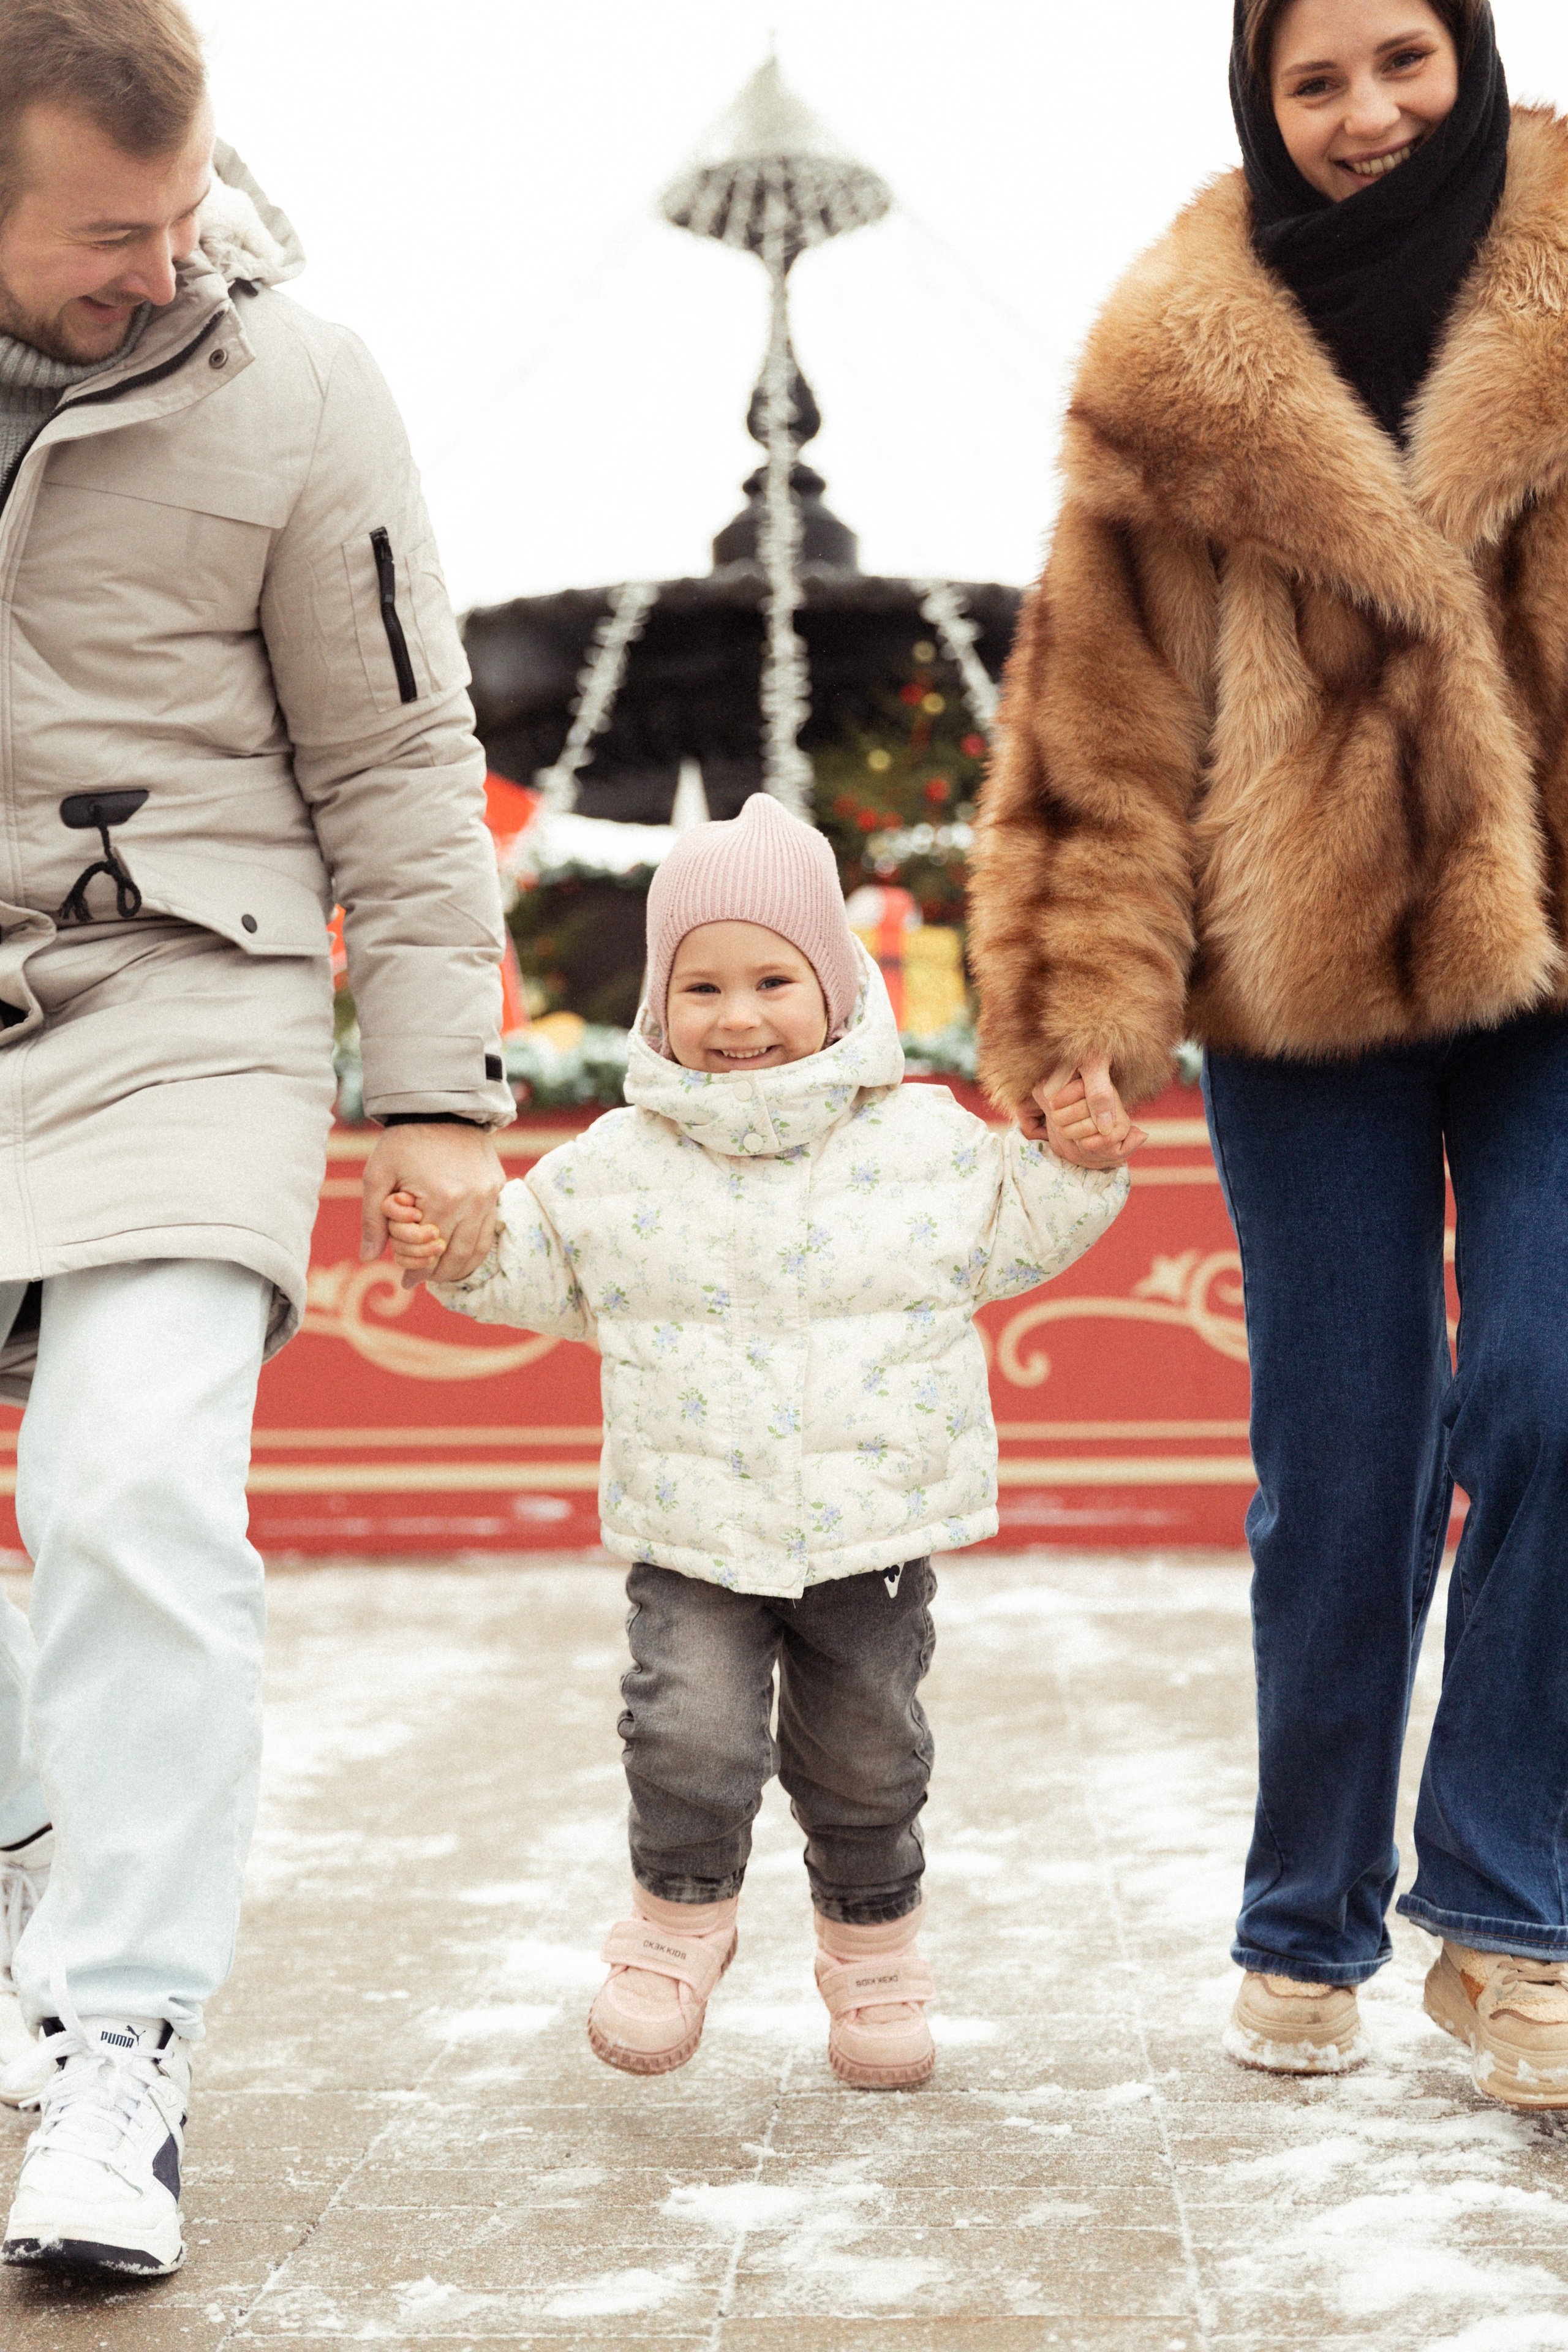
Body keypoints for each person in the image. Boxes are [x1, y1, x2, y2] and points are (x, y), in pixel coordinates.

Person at [966, 0, 1568, 2110]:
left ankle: (1508, 1908)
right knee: (1347, 1464)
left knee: (1559, 1386)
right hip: (1298, 991)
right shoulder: (1177, 370)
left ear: (1470, 54)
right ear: (1262, 99)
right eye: (1317, 79)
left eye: (1402, 58)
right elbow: (1097, 733)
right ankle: (1305, 1907)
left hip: (1561, 968)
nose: (1369, 112)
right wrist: (1076, 1013)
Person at [0, 0, 511, 2277]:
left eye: (186, 207)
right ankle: (36, 1839)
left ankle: (122, 2048)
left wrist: (430, 1093)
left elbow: (401, 764)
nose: (167, 258)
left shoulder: (301, 386)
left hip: (179, 992)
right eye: (111, 231)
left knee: (126, 1484)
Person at [389, 793, 1128, 2090]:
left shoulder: (924, 1145)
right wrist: (458, 1250)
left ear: (836, 988)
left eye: (774, 979)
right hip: (695, 1527)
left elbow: (1024, 1222)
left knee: (864, 1752)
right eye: (703, 986)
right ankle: (675, 1926)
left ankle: (874, 1950)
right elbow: (536, 1266)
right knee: (684, 1732)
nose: (738, 1018)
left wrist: (1072, 1156)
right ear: (657, 1006)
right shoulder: (615, 1163)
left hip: (871, 1527)